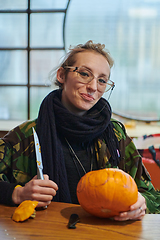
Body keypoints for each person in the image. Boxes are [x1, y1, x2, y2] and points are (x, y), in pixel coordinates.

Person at [0, 40, 160, 221]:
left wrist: (142, 203)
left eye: (102, 81)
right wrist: (17, 194)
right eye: (85, 74)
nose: (93, 87)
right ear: (61, 75)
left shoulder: (115, 135)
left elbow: (153, 196)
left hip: (106, 233)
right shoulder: (27, 136)